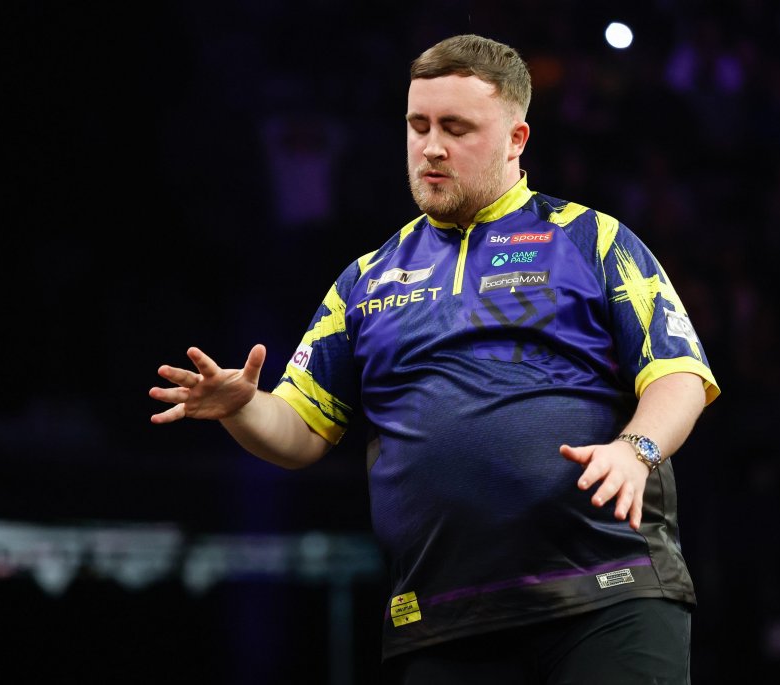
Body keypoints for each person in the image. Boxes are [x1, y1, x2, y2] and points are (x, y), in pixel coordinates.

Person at [150, 33, 720, 684]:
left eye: (457, 127)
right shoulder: (365, 279)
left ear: (516, 139)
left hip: (607, 596)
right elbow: (301, 431)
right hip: (440, 620)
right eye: (418, 125)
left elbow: (679, 375)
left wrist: (636, 449)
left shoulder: (594, 240)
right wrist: (245, 407)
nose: (432, 147)